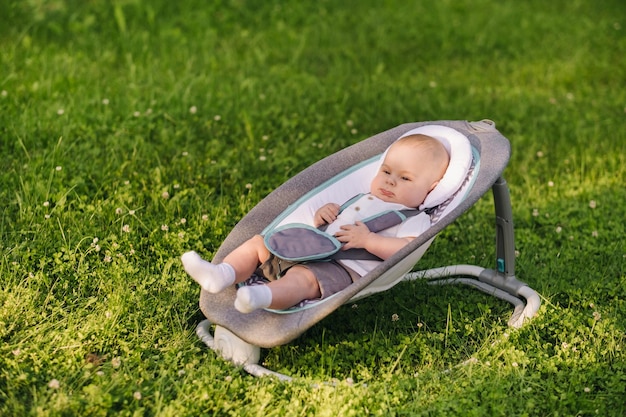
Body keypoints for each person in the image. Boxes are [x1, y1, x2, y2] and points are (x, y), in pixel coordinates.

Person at [181, 134, 450, 313]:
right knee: (258, 244)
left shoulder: (415, 218)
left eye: (405, 179)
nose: (391, 181)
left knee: (303, 279)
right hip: (307, 250)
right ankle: (222, 274)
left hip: (341, 268)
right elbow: (330, 228)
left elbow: (408, 248)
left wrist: (369, 240)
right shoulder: (363, 197)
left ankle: (261, 297)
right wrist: (323, 215)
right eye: (387, 172)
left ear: (431, 187)